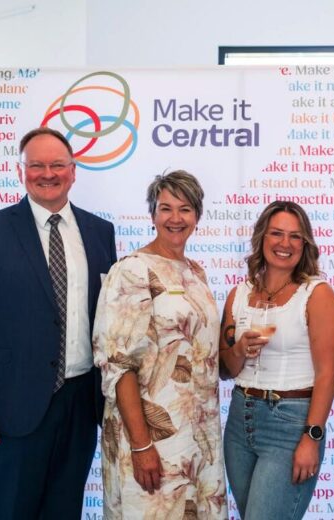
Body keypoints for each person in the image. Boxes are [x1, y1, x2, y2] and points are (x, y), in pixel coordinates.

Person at [0, 127, 116, 518]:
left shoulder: (100, 233)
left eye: (57, 165)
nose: (48, 174)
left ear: (73, 171)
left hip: (80, 407)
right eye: (36, 165)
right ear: (20, 171)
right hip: (8, 410)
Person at [93, 170, 226, 518]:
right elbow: (118, 365)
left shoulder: (195, 272)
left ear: (197, 215)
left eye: (185, 209)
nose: (175, 218)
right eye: (166, 208)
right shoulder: (132, 270)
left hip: (198, 436)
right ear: (152, 214)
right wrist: (141, 445)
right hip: (152, 437)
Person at [219, 200, 334, 519]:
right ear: (262, 237)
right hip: (240, 421)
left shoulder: (317, 294)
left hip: (290, 424)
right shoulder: (239, 294)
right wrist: (239, 350)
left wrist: (312, 437)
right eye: (276, 233)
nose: (284, 243)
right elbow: (224, 370)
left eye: (295, 236)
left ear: (305, 244)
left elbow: (328, 374)